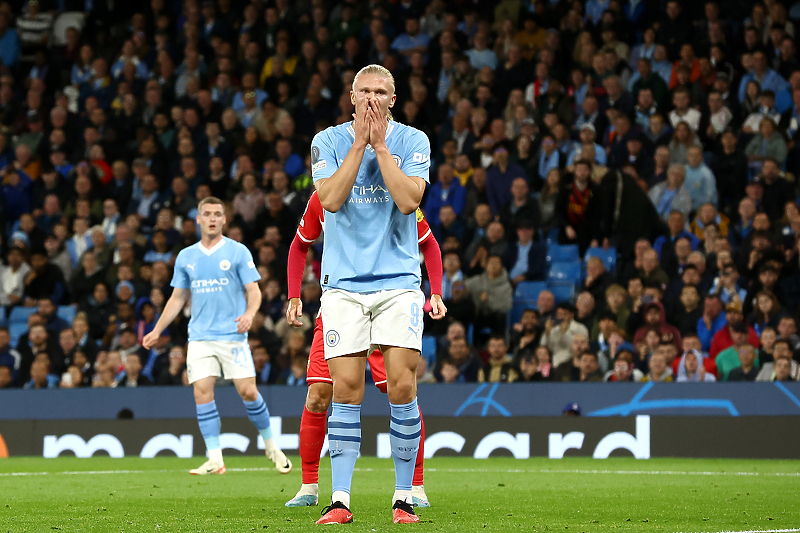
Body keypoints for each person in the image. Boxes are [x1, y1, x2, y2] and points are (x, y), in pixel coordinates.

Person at [307, 65, 439, 525]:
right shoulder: (327, 140)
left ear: (393, 99)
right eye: (364, 91)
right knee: (346, 389)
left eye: (381, 92)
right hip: (342, 287)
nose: (371, 99)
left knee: (402, 385)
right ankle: (339, 499)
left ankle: (405, 496)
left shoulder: (413, 141)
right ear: (351, 95)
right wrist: (360, 143)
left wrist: (380, 146)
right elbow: (331, 199)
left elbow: (407, 201)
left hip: (398, 283)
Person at [284, 191, 445, 508]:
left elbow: (428, 242)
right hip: (341, 309)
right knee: (318, 394)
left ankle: (415, 486)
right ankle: (309, 486)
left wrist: (436, 291)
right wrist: (293, 295)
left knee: (403, 390)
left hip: (387, 304)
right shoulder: (325, 196)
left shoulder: (397, 191)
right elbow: (299, 244)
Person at [142, 197, 292, 476]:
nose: (212, 218)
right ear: (198, 219)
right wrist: (157, 331)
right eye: (207, 214)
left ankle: (271, 445)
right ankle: (215, 459)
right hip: (199, 337)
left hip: (232, 336)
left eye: (217, 214)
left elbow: (254, 291)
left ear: (225, 219)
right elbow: (176, 299)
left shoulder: (237, 252)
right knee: (202, 393)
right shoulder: (186, 257)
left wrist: (249, 314)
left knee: (248, 391)